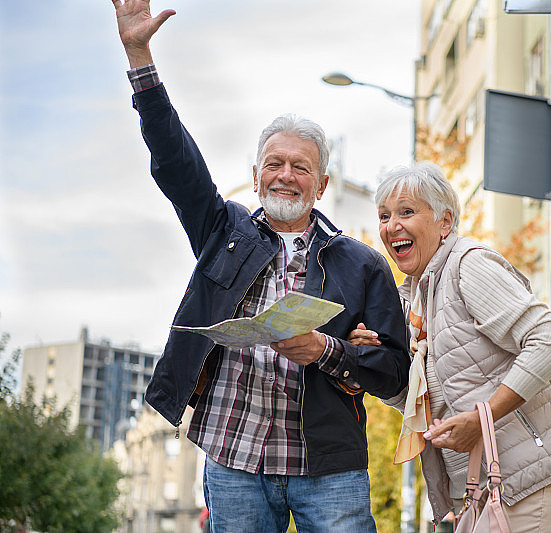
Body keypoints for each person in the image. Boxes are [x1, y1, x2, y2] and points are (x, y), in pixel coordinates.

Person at [111, 2, 411, 532]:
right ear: (255, 175)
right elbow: (175, 161)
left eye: (301, 167)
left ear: (321, 185)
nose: (285, 175)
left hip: (329, 468)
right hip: (234, 458)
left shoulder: (363, 263)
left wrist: (328, 350)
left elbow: (394, 372)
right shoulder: (222, 231)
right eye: (275, 163)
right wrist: (140, 56)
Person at [348, 162, 551, 532]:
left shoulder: (468, 265)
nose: (391, 226)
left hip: (537, 470)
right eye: (384, 216)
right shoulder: (415, 299)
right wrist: (366, 360)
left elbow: (550, 340)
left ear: (445, 222)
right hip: (488, 483)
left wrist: (483, 419)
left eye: (407, 212)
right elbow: (416, 401)